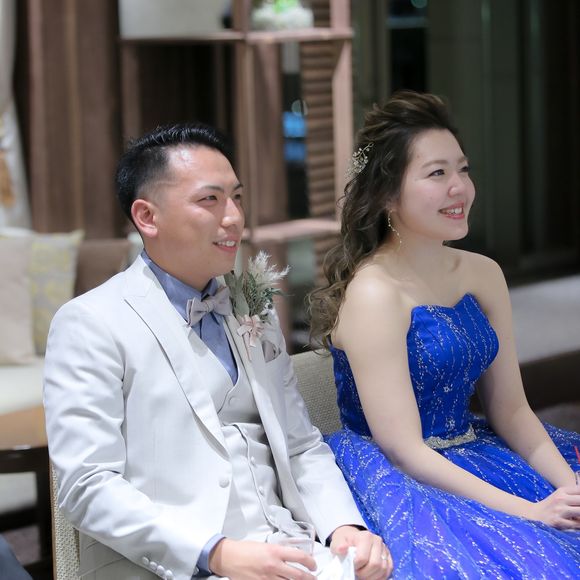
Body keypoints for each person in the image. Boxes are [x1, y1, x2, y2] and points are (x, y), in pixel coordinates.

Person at [43, 122, 392, 580]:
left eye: (237, 197)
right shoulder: (90, 322)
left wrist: (344, 528)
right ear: (147, 217)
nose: (233, 218)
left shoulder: (253, 306)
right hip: (169, 566)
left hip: (292, 549)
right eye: (210, 199)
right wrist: (217, 552)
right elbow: (87, 486)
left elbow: (301, 443)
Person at [308, 90, 580, 579]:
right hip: (404, 479)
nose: (460, 188)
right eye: (437, 174)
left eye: (463, 169)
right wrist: (531, 512)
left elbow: (511, 409)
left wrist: (569, 489)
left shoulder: (483, 273)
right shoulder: (374, 292)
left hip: (477, 446)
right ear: (387, 195)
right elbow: (404, 450)